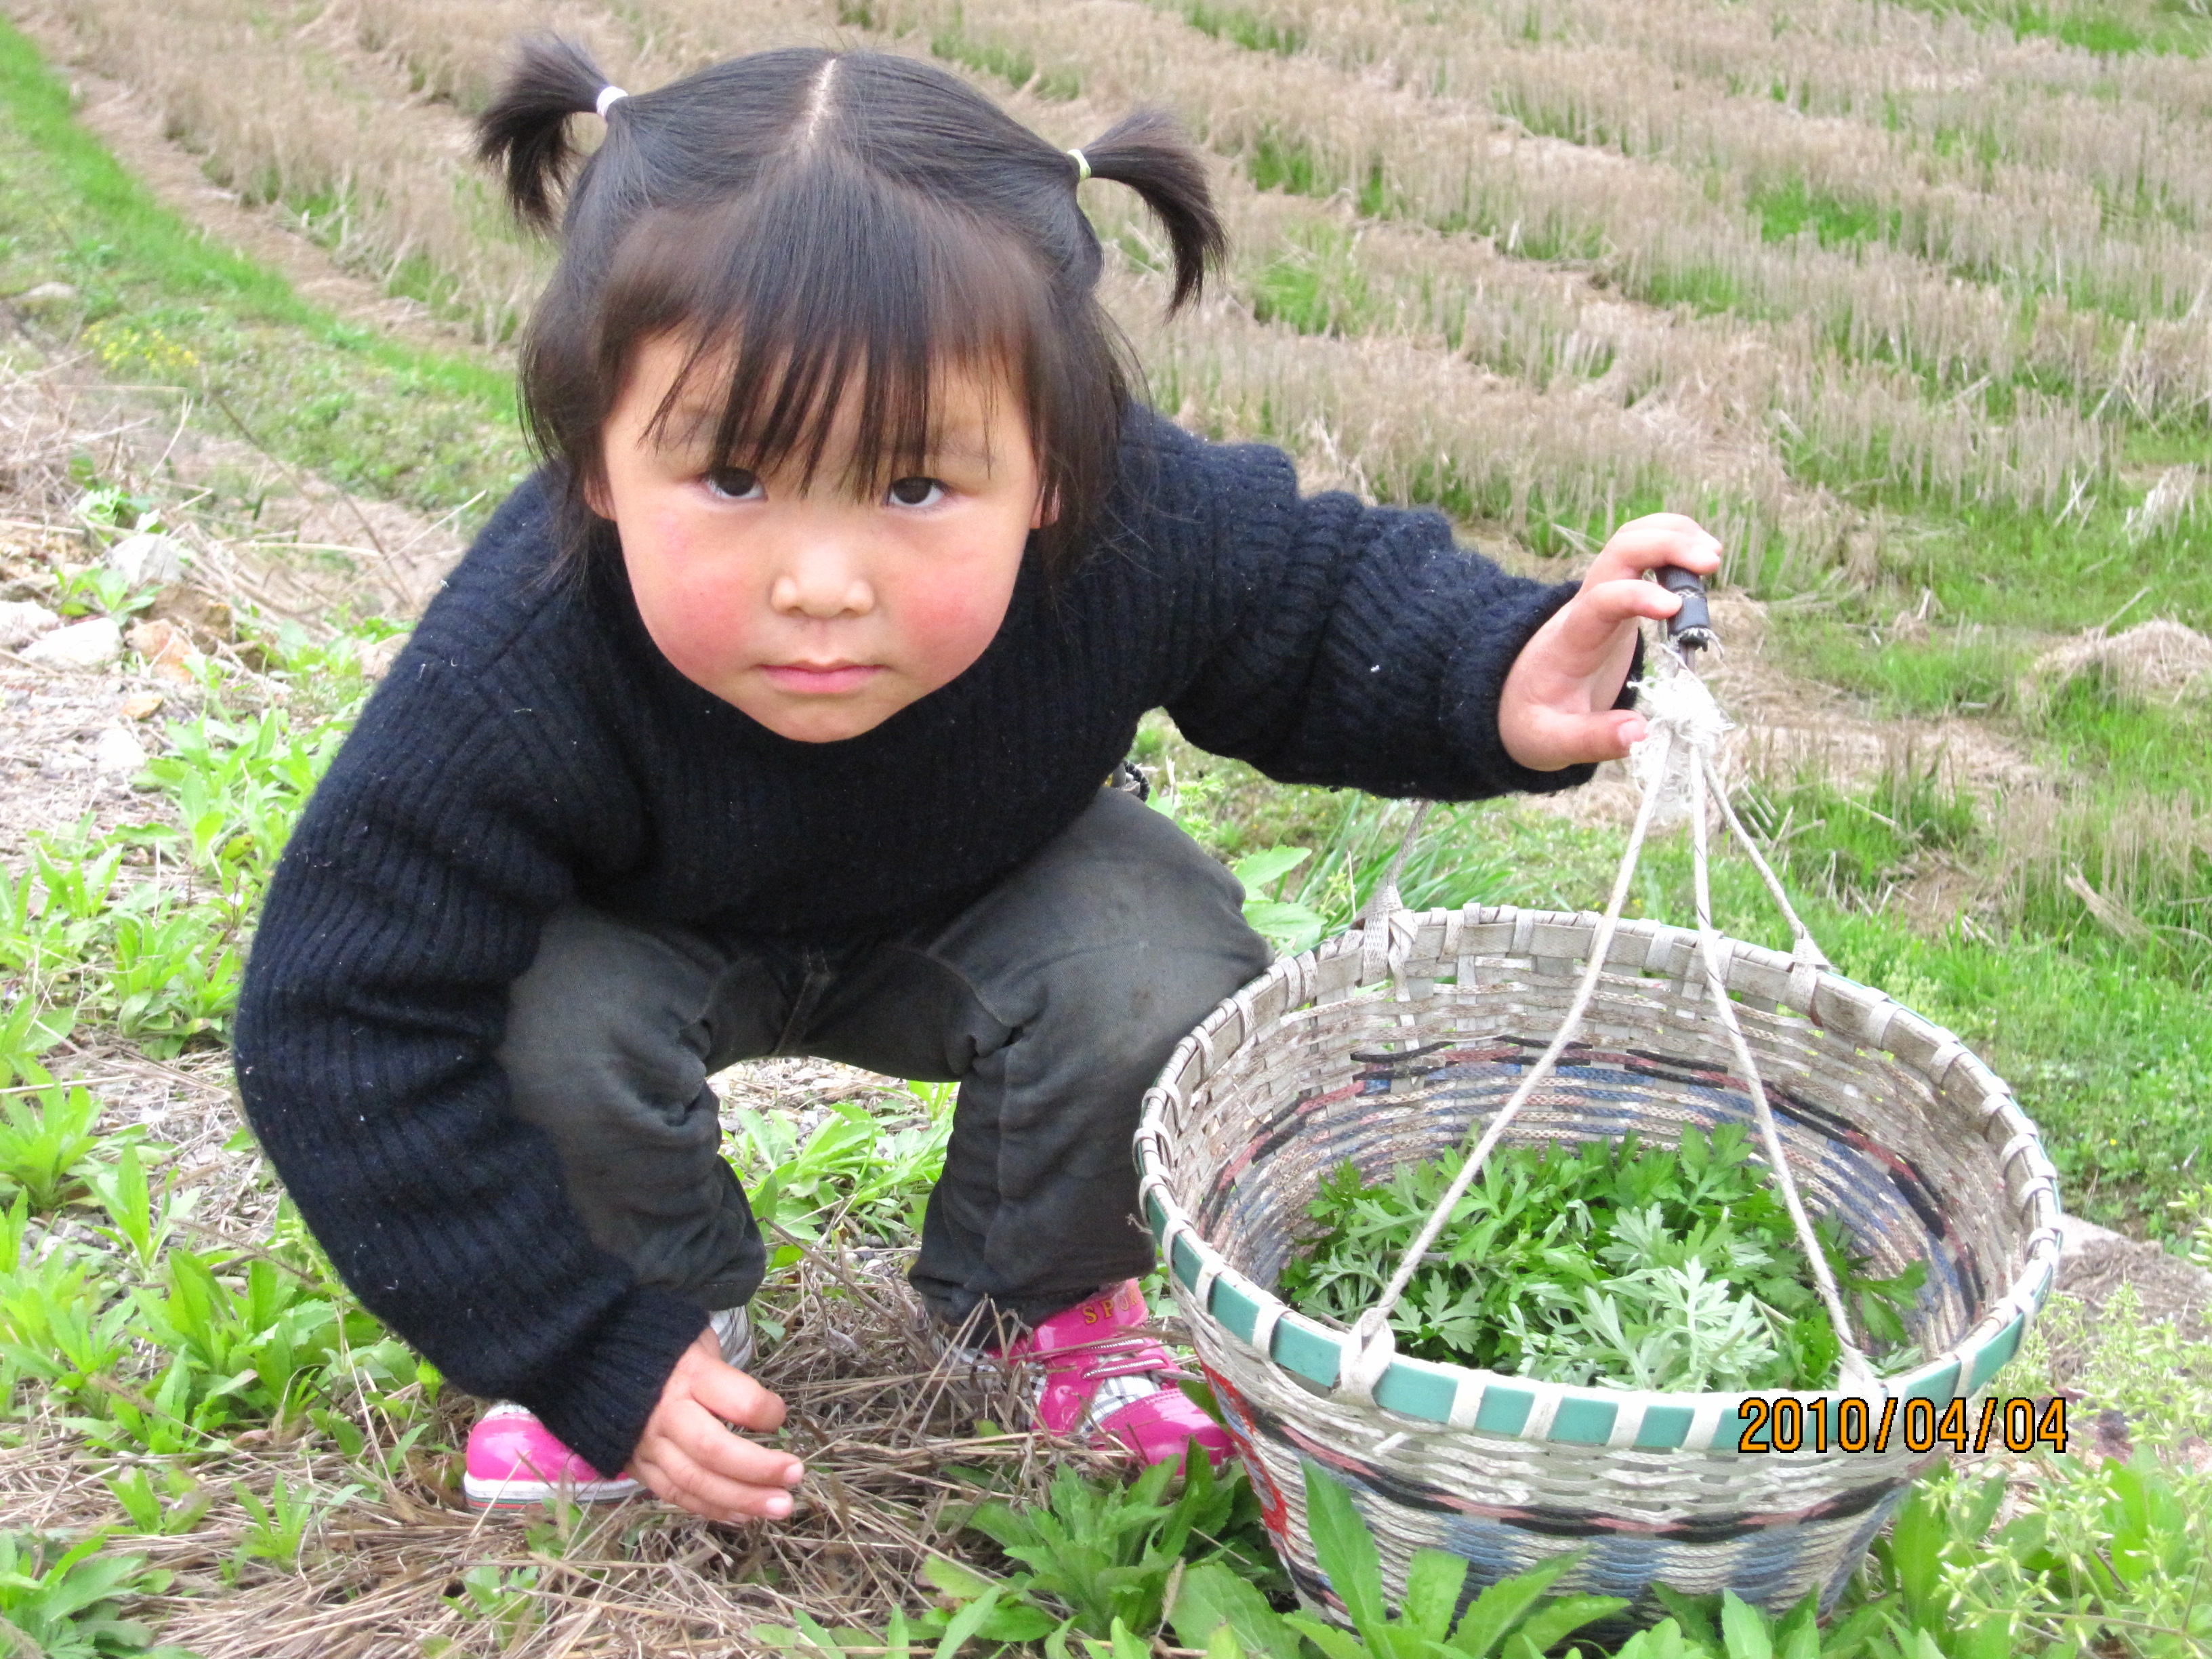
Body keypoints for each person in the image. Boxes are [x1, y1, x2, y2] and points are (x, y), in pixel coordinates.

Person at [231, 37, 1721, 1528]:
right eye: (733, 481)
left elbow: (1313, 601)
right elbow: (337, 1017)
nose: (821, 584)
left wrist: (1501, 670)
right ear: (597, 462)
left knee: (1161, 952)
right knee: (527, 1022)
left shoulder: (1135, 528)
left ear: (1055, 472)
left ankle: (1040, 1304)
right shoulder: (522, 658)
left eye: (915, 488)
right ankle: (655, 1327)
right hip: (633, 937)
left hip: (975, 902)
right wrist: (568, 1341)